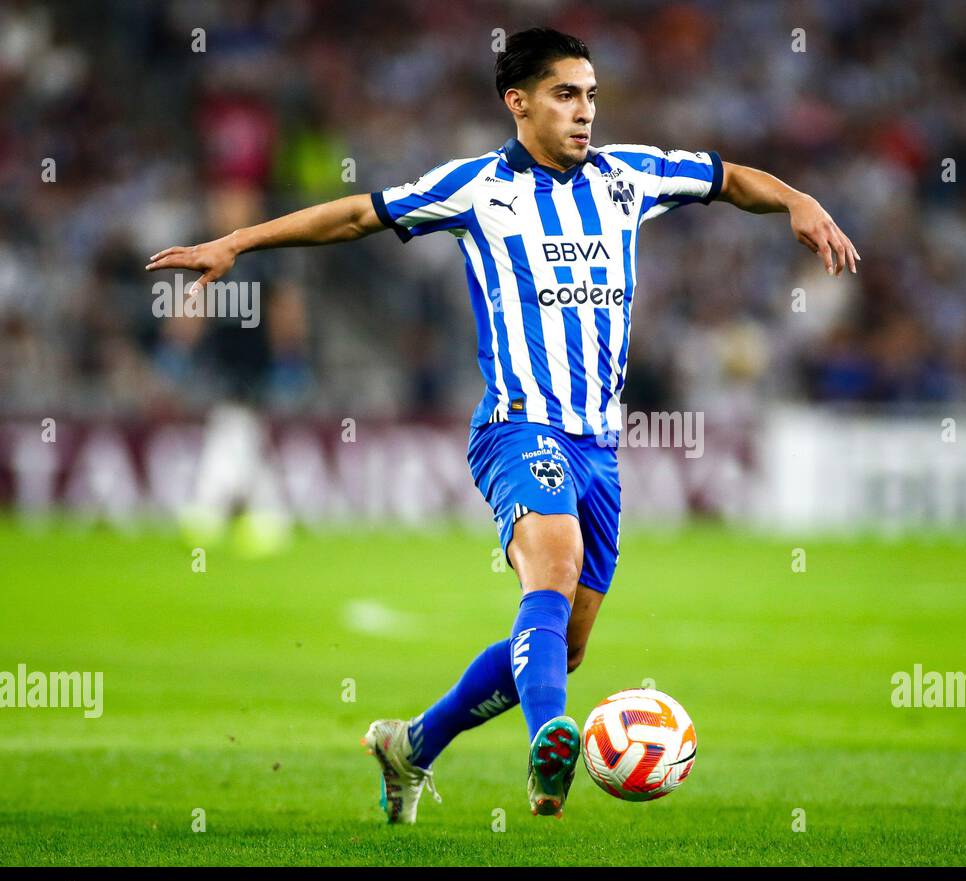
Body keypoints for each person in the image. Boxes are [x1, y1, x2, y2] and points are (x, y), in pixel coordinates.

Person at [145, 27, 859, 822]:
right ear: (518, 103)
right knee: (551, 567)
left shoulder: (631, 177)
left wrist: (799, 200)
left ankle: (411, 744)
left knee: (564, 644)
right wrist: (238, 242)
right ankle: (549, 738)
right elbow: (355, 216)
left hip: (600, 445)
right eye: (565, 95)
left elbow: (728, 179)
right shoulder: (477, 188)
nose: (585, 112)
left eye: (590, 95)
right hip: (519, 428)